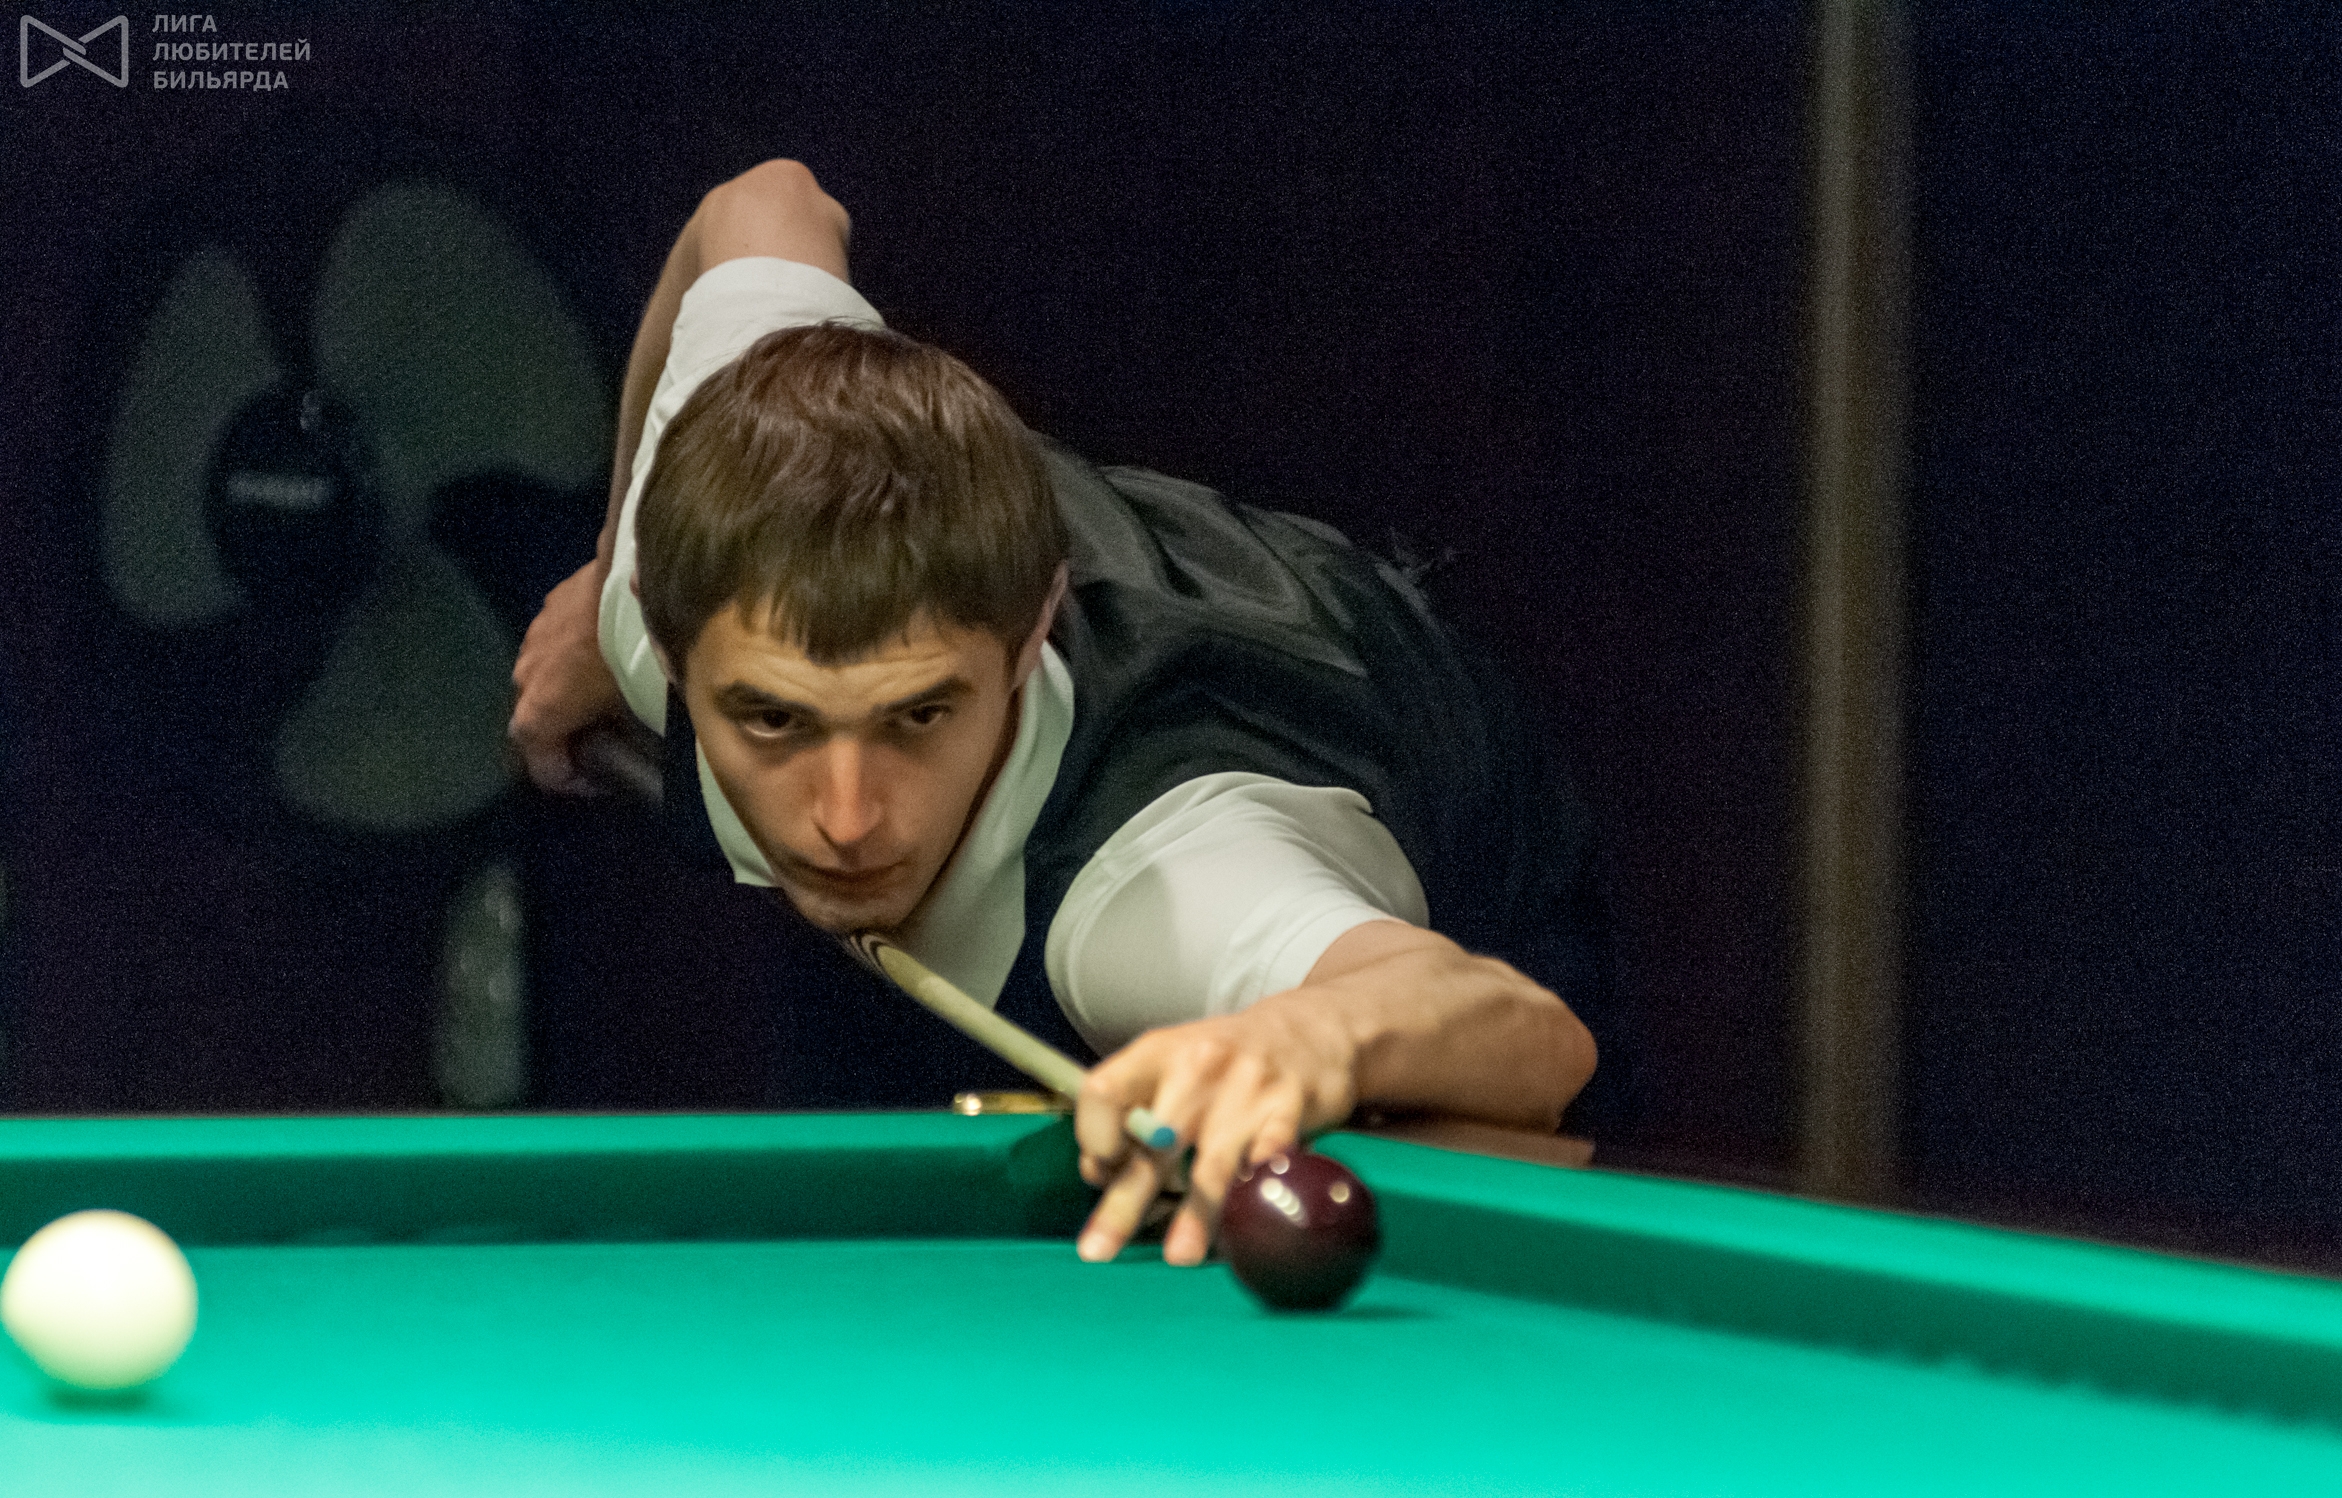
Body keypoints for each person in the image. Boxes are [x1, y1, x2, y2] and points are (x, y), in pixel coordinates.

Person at [511, 159, 1621, 1267]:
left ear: (1030, 630)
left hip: (1447, 831)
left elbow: (1531, 1037)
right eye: (774, 720)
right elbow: (762, 203)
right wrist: (608, 569)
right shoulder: (684, 555)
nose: (846, 819)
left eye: (919, 715)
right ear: (667, 640)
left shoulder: (1160, 888)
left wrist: (1300, 1033)